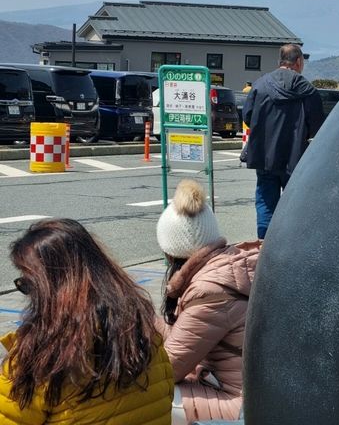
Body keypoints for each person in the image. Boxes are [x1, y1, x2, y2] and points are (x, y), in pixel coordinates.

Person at [0, 218, 173, 424]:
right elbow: (167, 393)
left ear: (47, 288)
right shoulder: (144, 332)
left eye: (27, 285)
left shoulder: (43, 354)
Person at [156, 179, 261, 424]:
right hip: (248, 390)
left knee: (143, 397)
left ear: (170, 251)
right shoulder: (229, 263)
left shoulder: (209, 290)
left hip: (239, 402)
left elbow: (169, 369)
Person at [243, 43, 323, 238]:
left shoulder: (260, 85)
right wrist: (302, 134)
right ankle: (288, 244)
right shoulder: (307, 89)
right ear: (298, 61)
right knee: (294, 205)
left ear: (280, 61)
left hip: (264, 155)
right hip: (294, 157)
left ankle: (263, 245)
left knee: (265, 202)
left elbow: (247, 116)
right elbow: (317, 122)